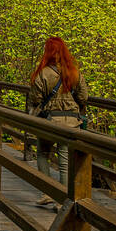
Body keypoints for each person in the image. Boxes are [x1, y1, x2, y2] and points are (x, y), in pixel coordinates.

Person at [26, 36, 89, 205]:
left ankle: (48, 192)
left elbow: (35, 99)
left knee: (42, 154)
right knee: (65, 161)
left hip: (49, 121)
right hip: (72, 123)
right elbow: (83, 97)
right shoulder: (74, 72)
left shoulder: (42, 74)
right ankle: (63, 199)